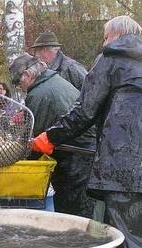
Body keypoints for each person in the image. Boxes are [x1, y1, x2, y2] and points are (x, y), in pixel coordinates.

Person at [31, 16, 142, 248]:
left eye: (106, 37)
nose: (104, 43)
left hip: (124, 167)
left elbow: (84, 111)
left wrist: (49, 137)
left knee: (126, 238)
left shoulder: (111, 58)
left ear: (117, 37)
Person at [9, 53, 96, 218]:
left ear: (27, 75)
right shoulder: (54, 81)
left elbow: (34, 140)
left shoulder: (38, 94)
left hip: (77, 159)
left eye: (18, 83)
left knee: (72, 213)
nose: (20, 88)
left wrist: (15, 164)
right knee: (81, 208)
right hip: (86, 152)